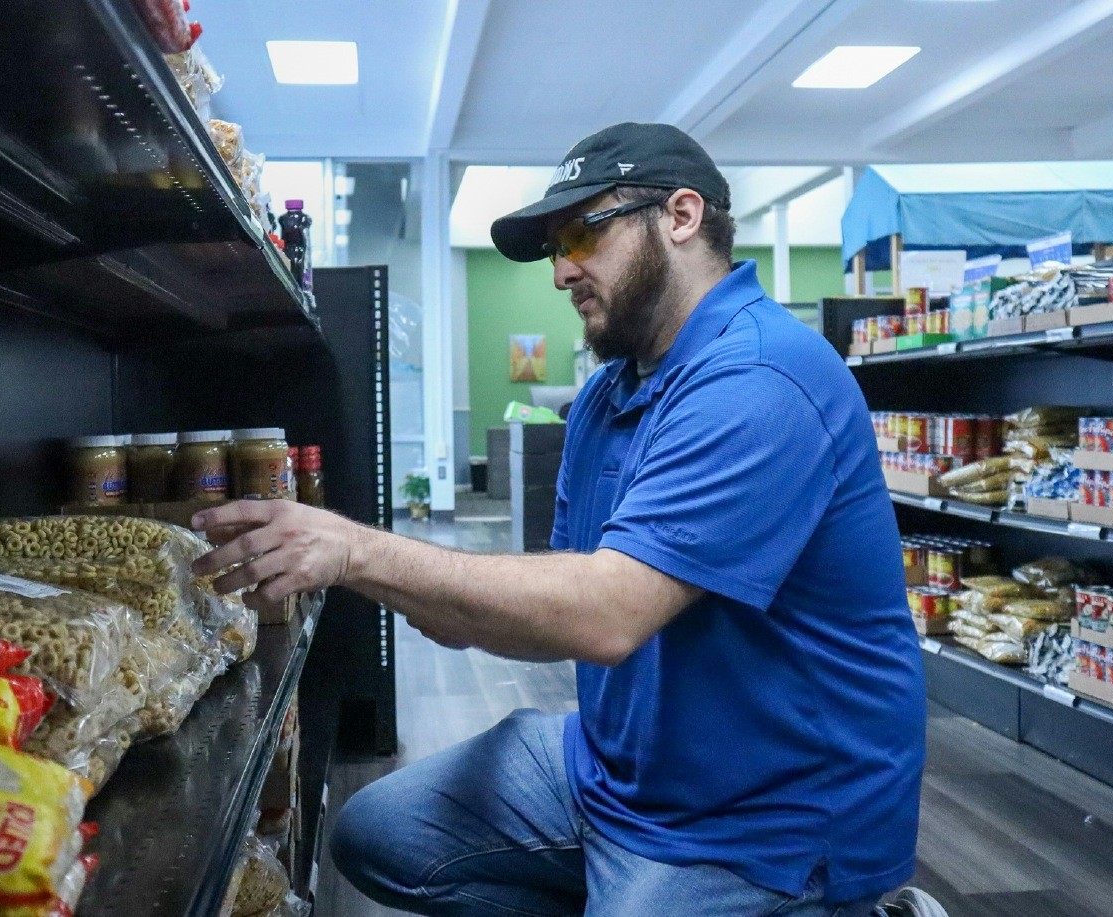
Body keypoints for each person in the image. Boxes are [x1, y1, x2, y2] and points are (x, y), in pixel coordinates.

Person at [193, 122, 940, 916]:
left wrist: (352, 549)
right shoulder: (607, 396)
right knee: (377, 833)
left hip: (763, 817)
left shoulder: (759, 377)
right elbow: (543, 599)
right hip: (616, 768)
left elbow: (605, 613)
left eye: (583, 232)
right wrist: (419, 587)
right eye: (555, 244)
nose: (560, 271)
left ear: (681, 217)